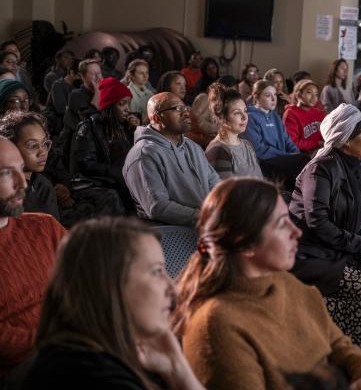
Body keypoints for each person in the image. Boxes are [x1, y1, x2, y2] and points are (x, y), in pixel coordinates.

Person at [172, 178, 361, 390]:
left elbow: (338, 345)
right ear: (246, 245)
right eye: (282, 224)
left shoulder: (287, 283)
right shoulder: (216, 325)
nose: (296, 233)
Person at [23, 217, 206, 390]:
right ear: (109, 285)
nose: (173, 289)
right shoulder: (91, 378)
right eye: (157, 271)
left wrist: (176, 367)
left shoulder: (122, 356)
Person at [289, 104, 361, 360]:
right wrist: (358, 242)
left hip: (339, 251)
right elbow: (317, 222)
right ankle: (359, 365)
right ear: (344, 140)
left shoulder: (355, 167)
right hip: (313, 257)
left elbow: (348, 216)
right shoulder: (320, 169)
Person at [0, 136, 66, 375]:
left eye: (20, 169)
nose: (23, 183)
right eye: (6, 174)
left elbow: (91, 276)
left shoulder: (44, 227)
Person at [0, 111, 125, 227]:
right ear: (11, 148)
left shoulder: (42, 185)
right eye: (33, 146)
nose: (42, 152)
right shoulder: (9, 189)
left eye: (44, 144)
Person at [123, 92, 220, 226]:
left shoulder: (192, 146)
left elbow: (214, 183)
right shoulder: (143, 154)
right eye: (178, 109)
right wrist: (205, 217)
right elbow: (158, 207)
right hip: (169, 235)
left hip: (203, 226)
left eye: (185, 107)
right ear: (157, 118)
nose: (186, 113)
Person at [71, 77, 140, 210]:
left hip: (124, 179)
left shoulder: (126, 126)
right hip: (102, 181)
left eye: (128, 103)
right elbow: (86, 163)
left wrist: (135, 131)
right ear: (110, 106)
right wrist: (116, 172)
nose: (127, 109)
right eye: (122, 104)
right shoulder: (90, 127)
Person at [242, 80, 308, 188]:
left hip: (281, 159)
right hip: (265, 162)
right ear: (256, 97)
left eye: (275, 95)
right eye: (268, 95)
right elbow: (258, 149)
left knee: (306, 160)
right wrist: (287, 156)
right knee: (305, 160)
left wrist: (295, 152)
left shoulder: (275, 116)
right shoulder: (250, 117)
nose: (273, 99)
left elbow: (287, 140)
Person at [204, 83, 262, 179]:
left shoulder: (247, 144)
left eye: (245, 110)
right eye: (237, 113)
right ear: (222, 118)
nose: (244, 117)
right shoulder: (218, 150)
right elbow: (226, 192)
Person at [59, 59, 103, 161]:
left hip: (98, 141)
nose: (97, 77)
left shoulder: (106, 92)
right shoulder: (76, 95)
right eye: (92, 74)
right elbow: (90, 120)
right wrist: (97, 91)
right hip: (78, 145)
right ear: (82, 76)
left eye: (99, 73)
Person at [282, 79, 324, 154]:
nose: (314, 97)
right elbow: (292, 142)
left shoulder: (320, 113)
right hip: (302, 155)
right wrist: (317, 144)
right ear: (298, 95)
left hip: (320, 152)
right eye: (309, 92)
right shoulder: (291, 113)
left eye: (316, 94)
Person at [44, 58, 80, 140]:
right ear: (72, 72)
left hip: (66, 125)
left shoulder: (75, 87)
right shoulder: (58, 85)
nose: (81, 78)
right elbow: (62, 109)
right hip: (54, 126)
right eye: (79, 75)